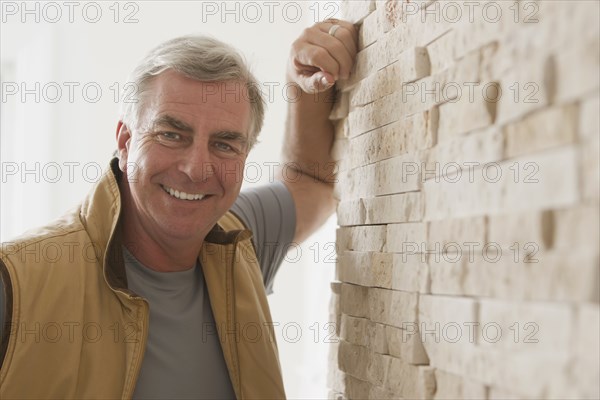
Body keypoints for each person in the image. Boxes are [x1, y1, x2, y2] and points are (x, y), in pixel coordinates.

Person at [0, 20, 357, 399]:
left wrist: (302, 82)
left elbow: (309, 180)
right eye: (172, 135)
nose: (195, 169)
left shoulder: (240, 240)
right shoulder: (15, 285)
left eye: (224, 144)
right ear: (125, 141)